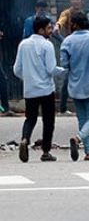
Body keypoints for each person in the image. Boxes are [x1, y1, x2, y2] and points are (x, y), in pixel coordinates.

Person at [13, 17, 65, 163]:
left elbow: (16, 69)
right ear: (41, 30)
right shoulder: (46, 45)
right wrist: (63, 71)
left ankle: (25, 139)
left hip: (30, 90)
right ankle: (46, 152)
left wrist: (28, 78)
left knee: (30, 118)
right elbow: (51, 69)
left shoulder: (23, 44)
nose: (51, 31)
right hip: (46, 90)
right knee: (48, 121)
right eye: (49, 28)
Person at [60, 12, 89, 162]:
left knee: (82, 120)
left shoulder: (67, 42)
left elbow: (64, 65)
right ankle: (79, 138)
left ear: (74, 24)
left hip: (75, 86)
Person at [54, 0, 86, 115]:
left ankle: (83, 106)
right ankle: (62, 108)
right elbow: (60, 22)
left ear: (82, 1)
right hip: (71, 50)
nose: (75, 1)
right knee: (67, 78)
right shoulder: (66, 13)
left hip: (83, 49)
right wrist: (58, 26)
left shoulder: (84, 14)